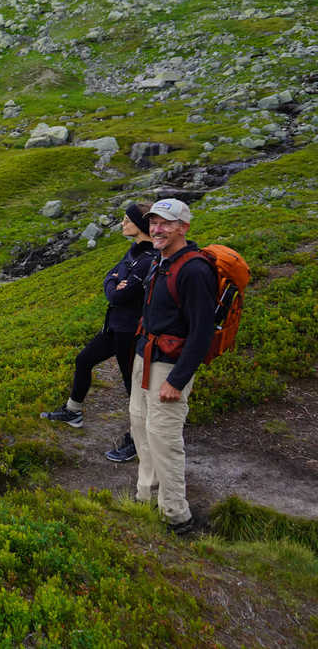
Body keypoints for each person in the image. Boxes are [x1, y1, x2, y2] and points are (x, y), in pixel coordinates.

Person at [41, 204, 156, 463]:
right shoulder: (134, 253)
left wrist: (116, 284)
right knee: (84, 360)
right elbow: (110, 279)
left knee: (132, 386)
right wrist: (115, 282)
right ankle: (73, 411)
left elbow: (119, 293)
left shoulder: (147, 259)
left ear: (140, 225)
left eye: (127, 220)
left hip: (130, 331)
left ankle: (139, 439)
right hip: (114, 326)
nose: (122, 224)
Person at [131, 197, 217, 535]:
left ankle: (177, 516)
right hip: (146, 358)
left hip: (169, 366)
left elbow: (202, 332)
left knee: (164, 437)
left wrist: (178, 380)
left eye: (166, 223)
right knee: (140, 425)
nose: (157, 229)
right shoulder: (160, 259)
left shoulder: (194, 270)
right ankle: (146, 496)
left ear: (184, 227)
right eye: (153, 222)